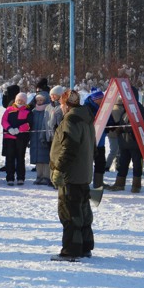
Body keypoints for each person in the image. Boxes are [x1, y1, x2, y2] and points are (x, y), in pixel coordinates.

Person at [50, 90, 96, 260]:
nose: (61, 107)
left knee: (69, 212)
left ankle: (71, 250)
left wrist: (59, 169)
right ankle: (85, 246)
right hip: (83, 173)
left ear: (66, 104)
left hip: (71, 174)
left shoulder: (70, 119)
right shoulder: (86, 117)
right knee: (83, 211)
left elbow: (69, 147)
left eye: (61, 104)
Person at [106, 89, 144, 193]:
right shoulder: (126, 108)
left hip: (135, 142)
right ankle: (119, 184)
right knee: (123, 163)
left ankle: (136, 186)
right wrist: (116, 126)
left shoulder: (139, 108)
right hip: (125, 142)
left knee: (137, 164)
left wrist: (123, 128)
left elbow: (139, 123)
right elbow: (123, 120)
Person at [1, 92, 31, 185]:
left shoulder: (28, 111)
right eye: (18, 99)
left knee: (20, 158)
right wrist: (9, 128)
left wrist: (19, 129)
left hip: (21, 138)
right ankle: (10, 177)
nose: (20, 101)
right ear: (15, 100)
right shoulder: (9, 109)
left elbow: (29, 124)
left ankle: (20, 177)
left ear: (25, 101)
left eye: (22, 100)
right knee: (9, 158)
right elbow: (3, 120)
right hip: (9, 137)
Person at [29, 94, 52, 185]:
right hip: (34, 137)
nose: (39, 102)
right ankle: (39, 176)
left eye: (41, 100)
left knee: (46, 158)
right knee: (37, 158)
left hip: (45, 137)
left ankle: (46, 176)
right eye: (37, 100)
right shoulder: (34, 111)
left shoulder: (48, 110)